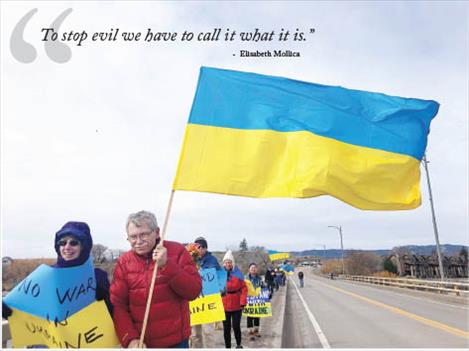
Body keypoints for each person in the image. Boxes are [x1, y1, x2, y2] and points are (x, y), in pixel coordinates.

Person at [110, 210, 202, 348]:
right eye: (133, 237)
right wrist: (130, 339)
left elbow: (193, 291)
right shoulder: (124, 262)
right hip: (141, 343)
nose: (138, 241)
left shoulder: (177, 251)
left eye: (144, 234)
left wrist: (168, 266)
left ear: (157, 232)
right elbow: (119, 306)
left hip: (176, 342)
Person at [2, 221, 112, 320]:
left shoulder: (97, 276)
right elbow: (23, 306)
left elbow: (111, 314)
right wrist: (6, 307)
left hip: (85, 339)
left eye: (73, 242)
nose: (67, 247)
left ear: (84, 246)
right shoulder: (46, 275)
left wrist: (105, 300)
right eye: (62, 243)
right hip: (47, 339)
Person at [221, 250, 247, 349]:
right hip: (224, 305)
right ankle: (228, 347)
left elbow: (244, 289)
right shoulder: (220, 274)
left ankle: (238, 344)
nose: (228, 264)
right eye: (226, 262)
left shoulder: (238, 274)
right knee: (226, 329)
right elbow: (214, 288)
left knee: (236, 327)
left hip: (236, 305)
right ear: (224, 263)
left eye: (230, 262)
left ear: (233, 263)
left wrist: (243, 301)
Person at [245, 263, 264, 341]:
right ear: (249, 269)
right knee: (249, 316)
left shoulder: (259, 279)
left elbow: (263, 287)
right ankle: (250, 332)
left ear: (256, 269)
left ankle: (256, 331)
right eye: (252, 268)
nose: (253, 269)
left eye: (254, 268)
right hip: (248, 300)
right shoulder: (245, 279)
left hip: (257, 299)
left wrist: (267, 293)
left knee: (257, 315)